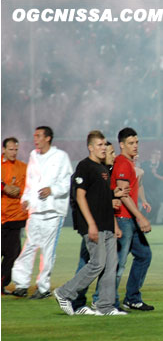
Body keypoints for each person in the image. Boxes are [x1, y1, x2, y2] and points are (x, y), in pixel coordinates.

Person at [53, 131, 125, 316]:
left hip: (107, 224)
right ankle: (64, 292)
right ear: (90, 147)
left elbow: (102, 199)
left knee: (110, 266)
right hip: (94, 225)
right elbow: (80, 196)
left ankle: (105, 307)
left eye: (104, 145)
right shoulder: (85, 166)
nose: (103, 148)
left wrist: (114, 224)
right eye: (99, 145)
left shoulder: (102, 169)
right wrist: (91, 224)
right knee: (97, 264)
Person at [11, 126, 73, 299]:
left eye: (38, 136)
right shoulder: (33, 156)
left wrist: (52, 189)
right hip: (36, 210)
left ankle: (43, 287)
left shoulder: (61, 157)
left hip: (53, 211)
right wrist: (26, 199)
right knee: (29, 246)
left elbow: (67, 182)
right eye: (34, 136)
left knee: (47, 250)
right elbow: (30, 182)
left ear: (48, 138)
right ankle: (21, 284)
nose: (35, 139)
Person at [102, 127, 154, 310]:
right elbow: (123, 195)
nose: (135, 146)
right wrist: (141, 217)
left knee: (144, 255)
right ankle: (109, 302)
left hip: (129, 219)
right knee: (118, 264)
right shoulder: (122, 163)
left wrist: (142, 203)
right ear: (122, 144)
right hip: (124, 219)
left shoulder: (128, 163)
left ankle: (132, 297)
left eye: (137, 142)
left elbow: (133, 187)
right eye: (131, 143)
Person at [1, 137, 28, 295]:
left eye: (16, 149)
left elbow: (25, 189)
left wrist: (18, 191)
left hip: (15, 216)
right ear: (3, 149)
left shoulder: (22, 167)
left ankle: (2, 283)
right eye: (10, 149)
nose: (13, 152)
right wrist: (4, 187)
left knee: (12, 253)